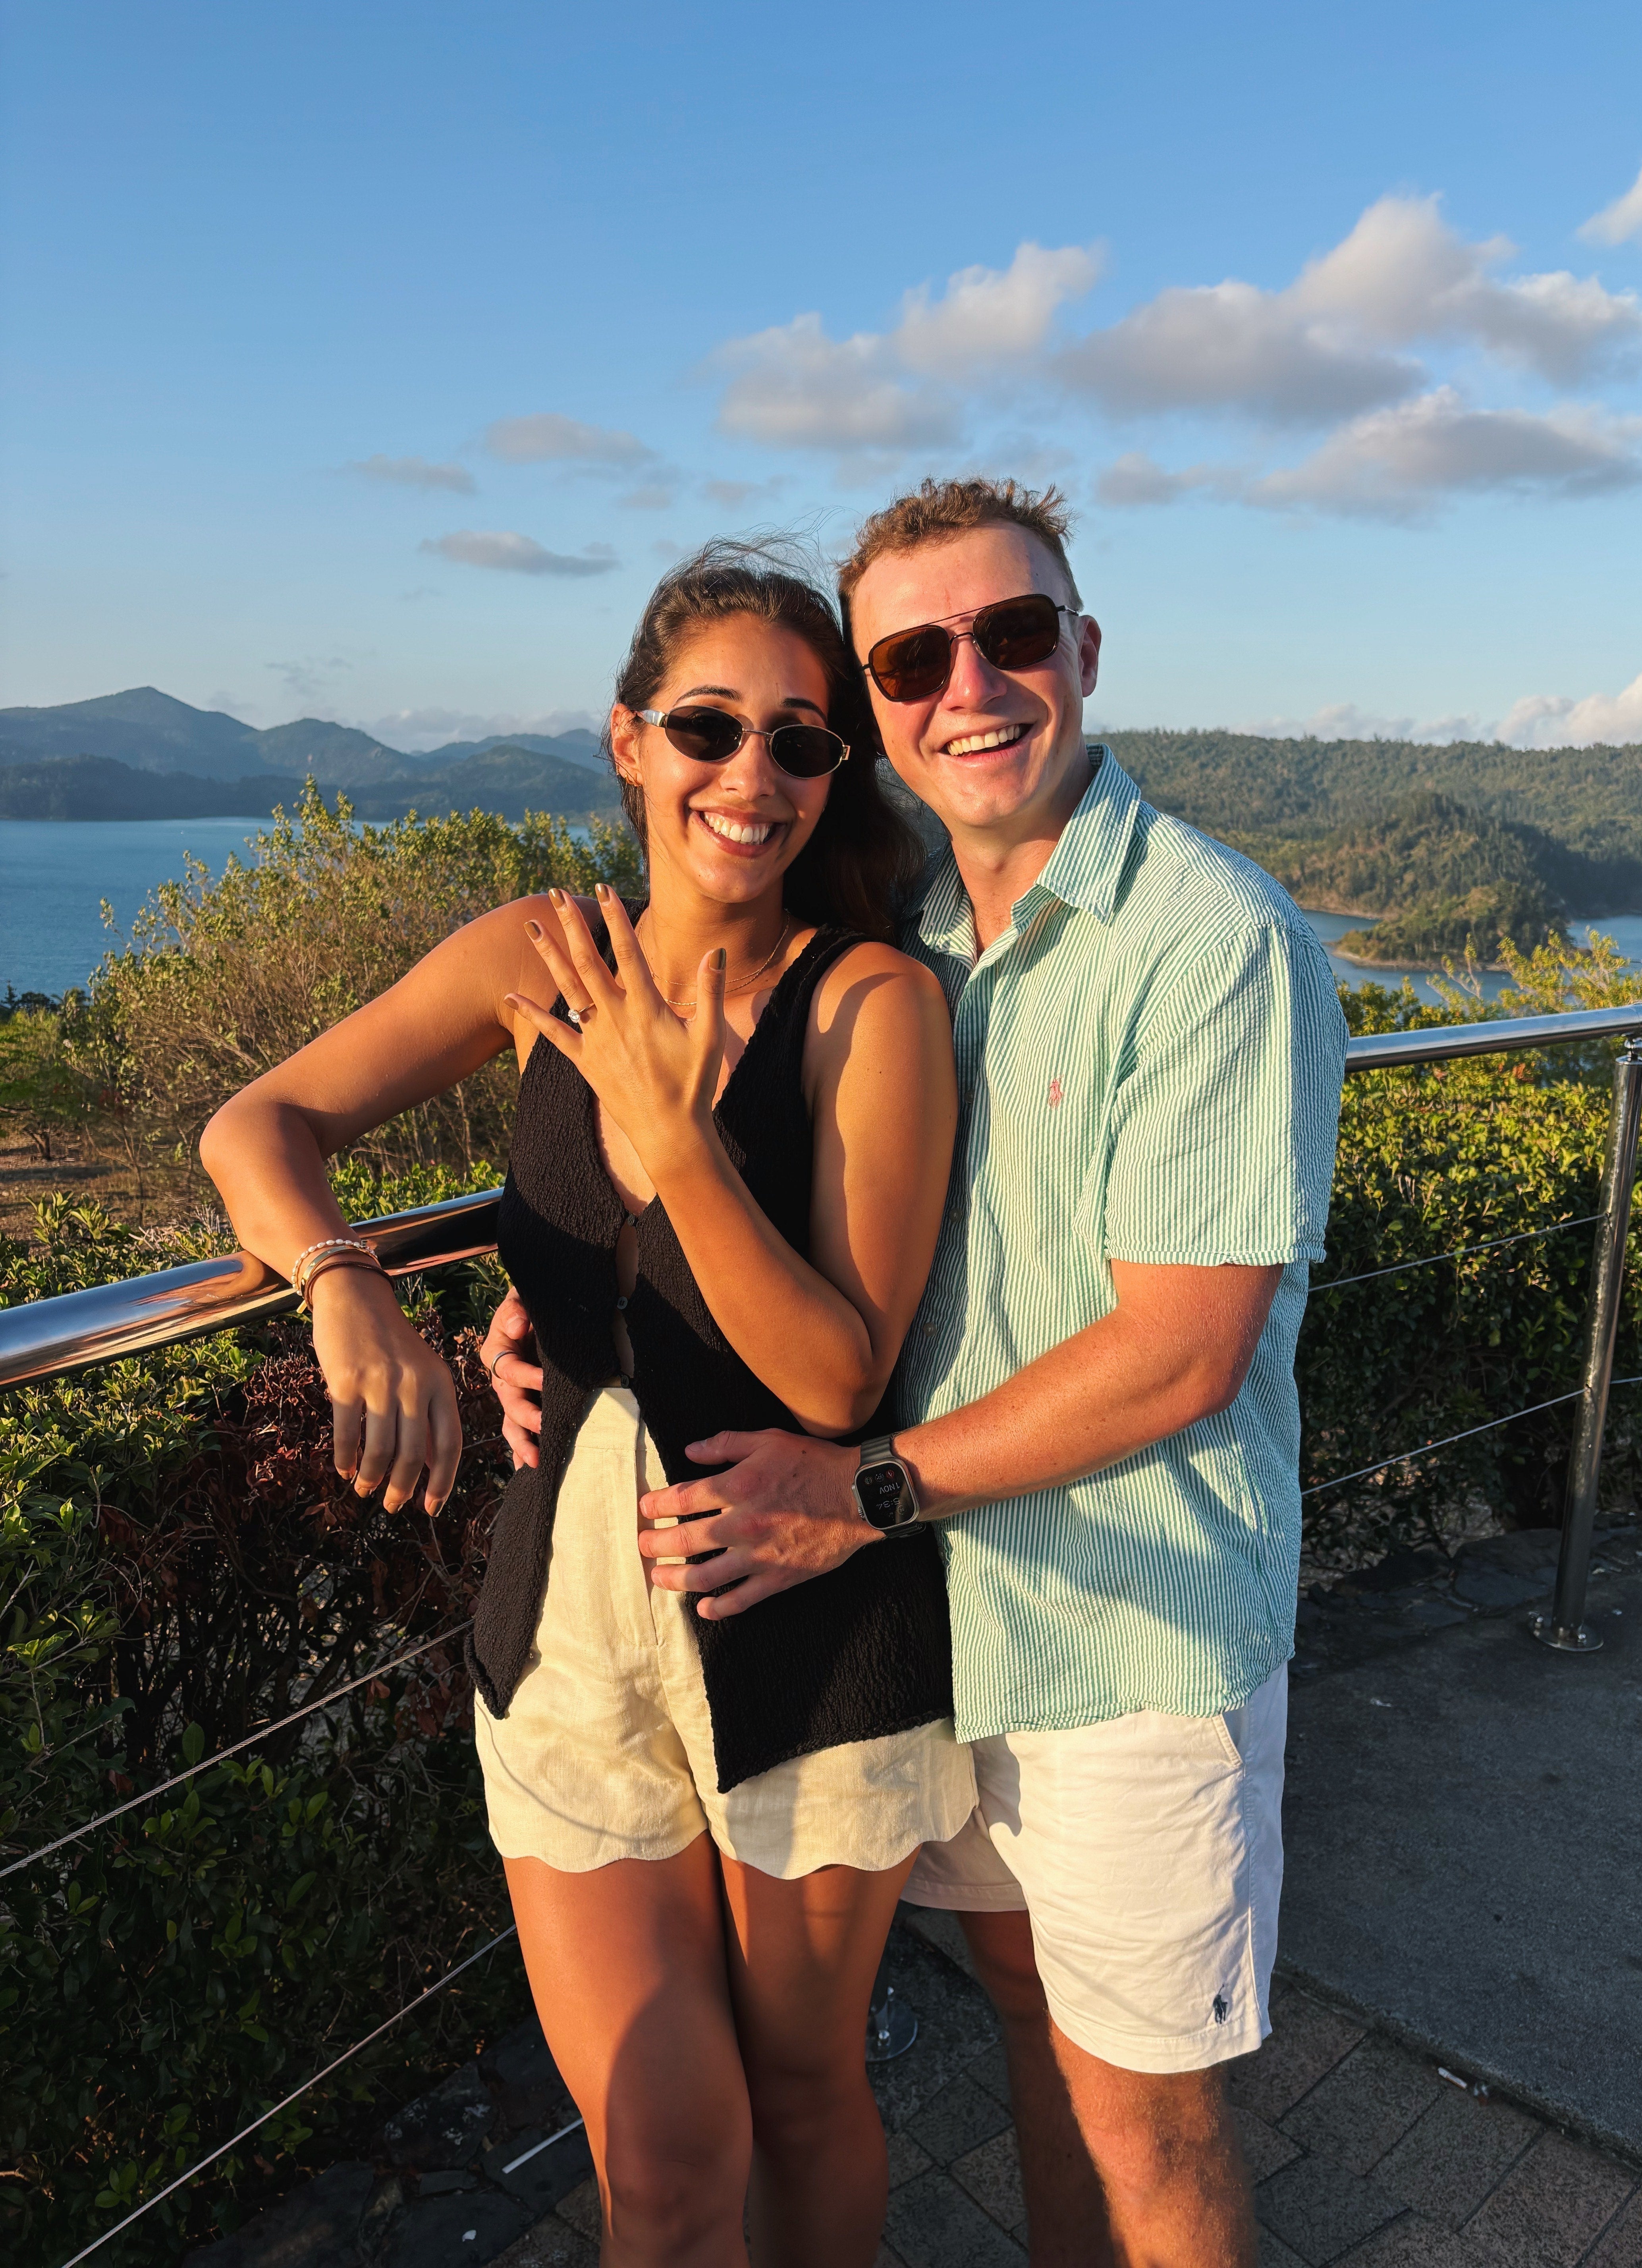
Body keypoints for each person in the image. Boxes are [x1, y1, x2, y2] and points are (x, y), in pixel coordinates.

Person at [484, 479, 1347, 2267]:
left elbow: (1187, 1350)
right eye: (915, 655)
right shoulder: (930, 940)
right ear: (882, 710)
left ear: (1084, 651)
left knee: (1146, 2117)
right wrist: (563, 1318)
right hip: (958, 1619)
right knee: (1044, 2044)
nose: (975, 681)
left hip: (1121, 1617)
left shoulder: (1208, 939)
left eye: (1015, 633)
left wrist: (863, 1491)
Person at [199, 545, 978, 2268]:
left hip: (806, 1622)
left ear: (837, 772)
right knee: (666, 2156)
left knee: (799, 2096)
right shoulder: (537, 955)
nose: (752, 778)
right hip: (561, 1634)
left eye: (802, 742)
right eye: (710, 727)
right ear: (629, 741)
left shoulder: (871, 1005)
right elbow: (258, 1128)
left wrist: (671, 1134)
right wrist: (355, 1289)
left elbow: (840, 1372)